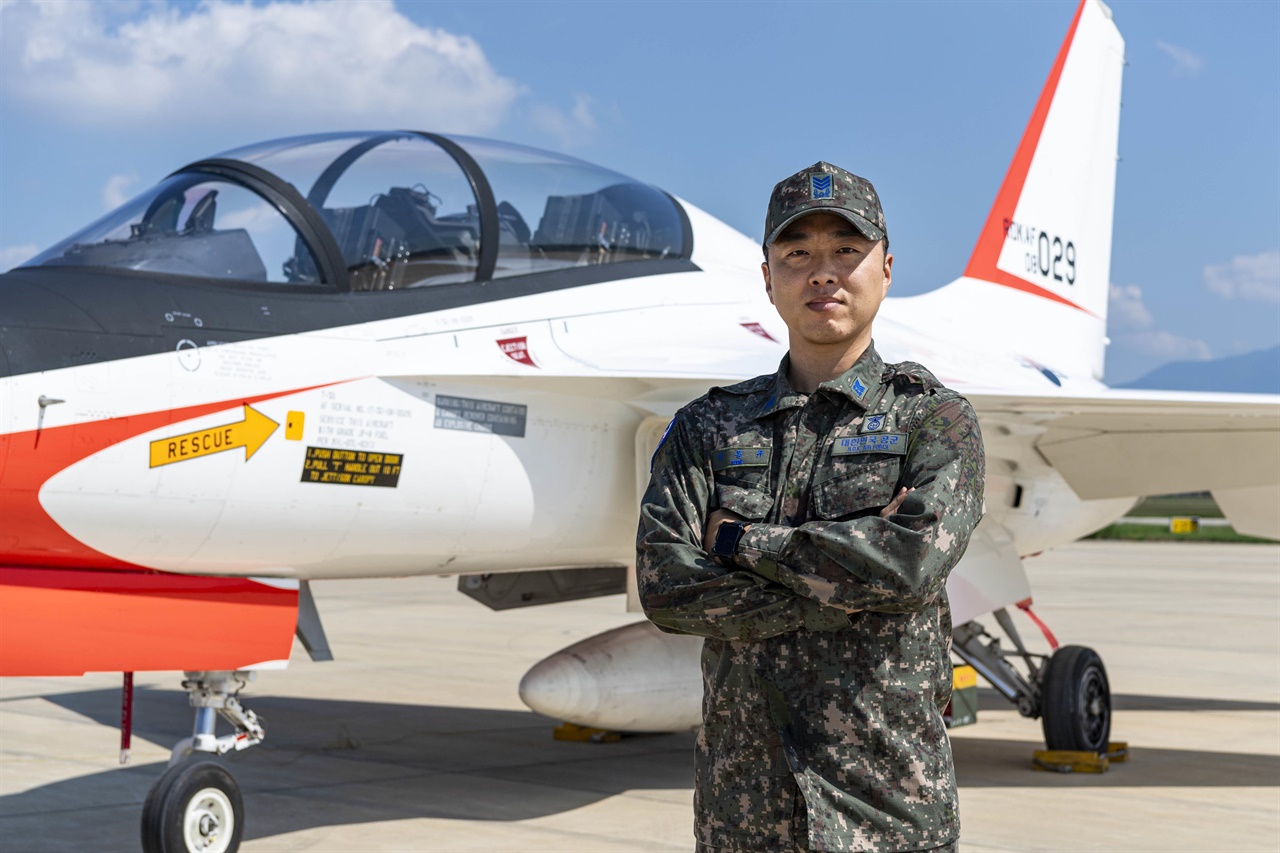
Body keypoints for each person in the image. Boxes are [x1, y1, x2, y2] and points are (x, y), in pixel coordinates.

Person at [636, 161, 985, 852]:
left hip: (887, 815)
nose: (822, 272)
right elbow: (666, 586)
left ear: (886, 268)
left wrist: (740, 544)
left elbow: (908, 564)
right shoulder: (708, 427)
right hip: (744, 817)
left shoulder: (934, 421)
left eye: (845, 251)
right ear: (768, 279)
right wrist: (847, 591)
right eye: (797, 253)